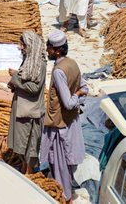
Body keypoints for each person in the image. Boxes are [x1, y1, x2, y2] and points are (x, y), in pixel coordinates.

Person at [40, 29, 87, 203]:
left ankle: (64, 197)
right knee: (66, 163)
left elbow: (67, 102)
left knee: (59, 165)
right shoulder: (72, 63)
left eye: (49, 48)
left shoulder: (59, 71)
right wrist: (80, 93)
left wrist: (76, 95)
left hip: (60, 124)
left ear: (57, 50)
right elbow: (84, 87)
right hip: (71, 121)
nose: (47, 51)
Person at [7, 30, 47, 173]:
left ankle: (30, 172)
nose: (21, 47)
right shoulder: (28, 61)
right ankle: (24, 169)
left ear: (30, 45)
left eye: (23, 45)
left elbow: (34, 87)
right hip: (22, 109)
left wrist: (15, 78)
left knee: (31, 146)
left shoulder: (39, 64)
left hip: (31, 111)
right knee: (21, 144)